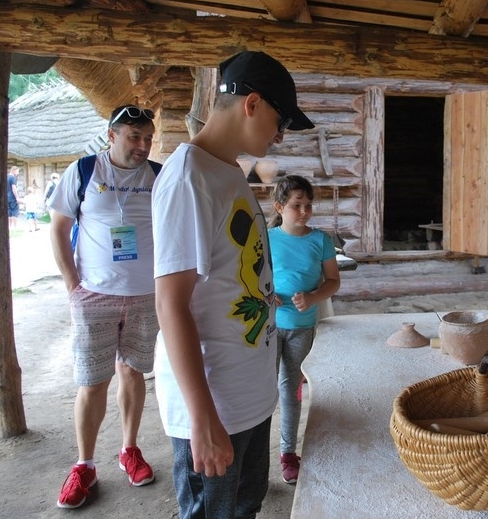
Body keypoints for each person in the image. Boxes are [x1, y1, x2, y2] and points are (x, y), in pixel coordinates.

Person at [152, 50, 314, 519]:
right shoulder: (189, 178)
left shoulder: (227, 172)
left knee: (244, 508)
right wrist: (201, 418)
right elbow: (170, 305)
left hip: (246, 395)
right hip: (213, 402)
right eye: (279, 120)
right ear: (252, 104)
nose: (280, 134)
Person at [47, 105, 161, 509]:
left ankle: (129, 450)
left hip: (145, 295)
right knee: (93, 381)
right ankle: (85, 465)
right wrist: (72, 284)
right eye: (134, 136)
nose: (143, 145)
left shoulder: (158, 176)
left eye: (148, 137)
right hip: (94, 294)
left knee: (132, 372)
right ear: (111, 136)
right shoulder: (83, 172)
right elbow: (59, 229)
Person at [267, 175, 340, 484]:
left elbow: (333, 281)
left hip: (301, 329)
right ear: (280, 207)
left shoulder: (321, 240)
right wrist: (266, 296)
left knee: (291, 389)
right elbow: (249, 275)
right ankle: (252, 453)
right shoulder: (266, 237)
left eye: (309, 205)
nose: (305, 211)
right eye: (297, 205)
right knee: (261, 391)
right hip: (268, 329)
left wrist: (312, 297)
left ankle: (287, 453)